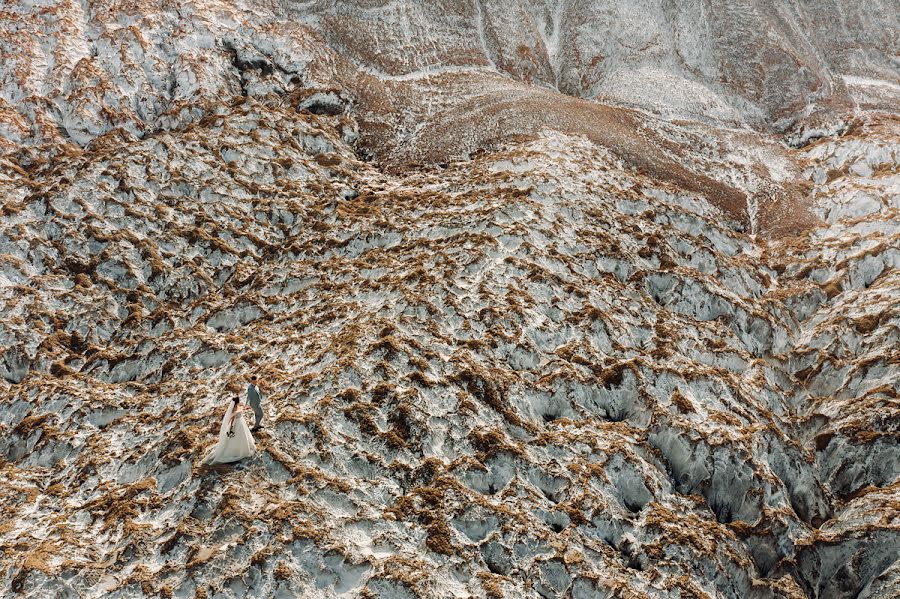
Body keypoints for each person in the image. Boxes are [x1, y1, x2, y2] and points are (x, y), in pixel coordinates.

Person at [201, 397, 256, 465]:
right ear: (237, 402)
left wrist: (245, 408)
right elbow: (232, 420)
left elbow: (240, 409)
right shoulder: (234, 410)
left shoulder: (238, 406)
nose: (240, 402)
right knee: (240, 437)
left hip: (241, 423)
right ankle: (238, 451)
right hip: (237, 425)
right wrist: (231, 428)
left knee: (243, 436)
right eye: (239, 401)